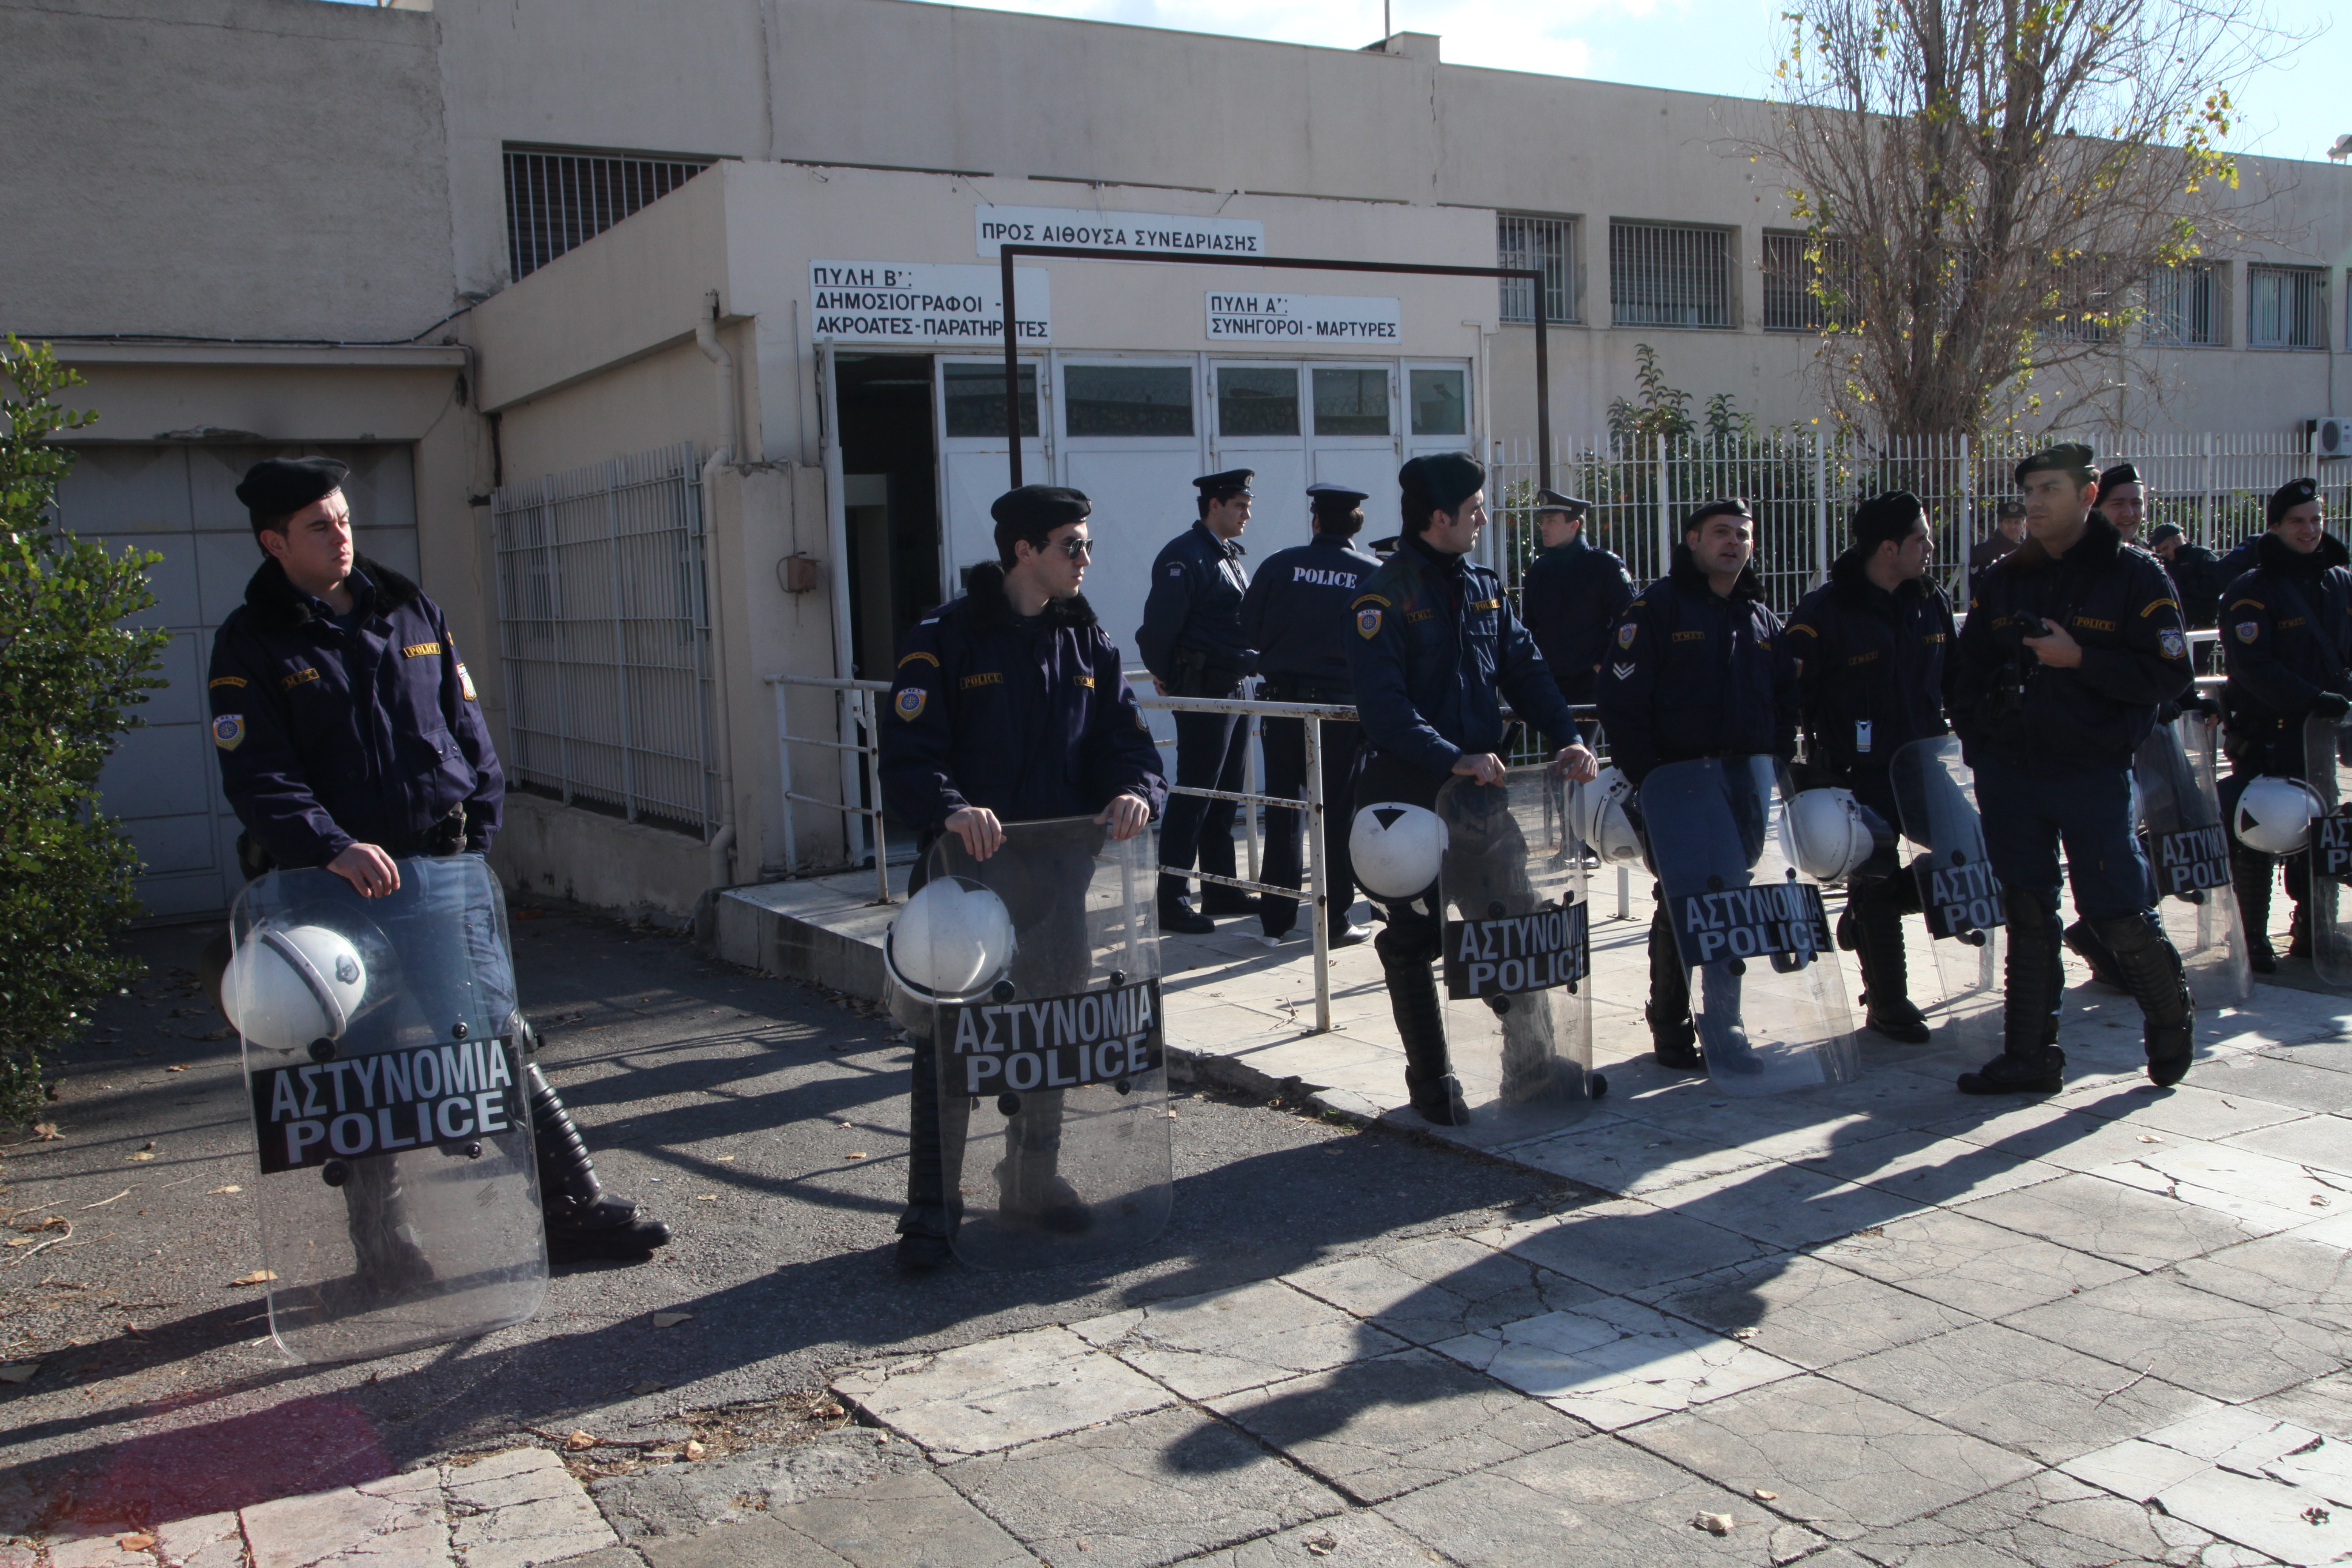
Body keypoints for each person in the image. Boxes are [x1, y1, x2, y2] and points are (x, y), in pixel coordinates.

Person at [205, 457, 669, 1264]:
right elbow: (258, 776)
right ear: (274, 541)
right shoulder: (252, 644)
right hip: (334, 895)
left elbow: (467, 729)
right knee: (365, 1071)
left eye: (344, 518)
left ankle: (569, 1209)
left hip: (438, 877)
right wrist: (332, 846)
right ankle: (384, 1244)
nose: (341, 534)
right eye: (320, 525)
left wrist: (477, 828)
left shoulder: (408, 608)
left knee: (495, 1041)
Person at [879, 485, 1166, 1272]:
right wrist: (951, 806)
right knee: (950, 1047)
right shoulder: (946, 638)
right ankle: (932, 1212)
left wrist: (1137, 791)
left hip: (1058, 880)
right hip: (967, 887)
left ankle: (1031, 1184)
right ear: (1023, 552)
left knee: (1052, 1040)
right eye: (1071, 545)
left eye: (1087, 545)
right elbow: (908, 759)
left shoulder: (1089, 641)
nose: (1086, 560)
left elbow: (1127, 745)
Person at [1347, 454, 1597, 1124]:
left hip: (1482, 798)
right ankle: (1432, 1080)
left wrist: (1567, 734)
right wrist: (1450, 755)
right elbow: (1383, 706)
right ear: (1439, 517)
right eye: (1476, 508)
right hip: (1410, 799)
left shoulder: (1484, 585)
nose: (1485, 518)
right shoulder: (1385, 594)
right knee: (1415, 939)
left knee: (1513, 923)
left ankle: (1532, 1065)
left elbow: (1527, 668)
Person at [1948, 443, 2196, 1094]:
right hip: (2012, 771)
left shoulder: (2135, 576)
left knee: (2116, 910)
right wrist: (1982, 742)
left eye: (2050, 489)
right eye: (2029, 489)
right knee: (2028, 909)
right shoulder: (2005, 577)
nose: (2035, 502)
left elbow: (2170, 675)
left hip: (2090, 770)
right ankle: (2030, 1055)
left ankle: (2170, 1020)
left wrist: (2079, 659)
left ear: (2087, 496)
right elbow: (1966, 672)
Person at [1597, 499, 1800, 1071]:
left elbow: (1786, 698)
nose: (1733, 542)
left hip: (1744, 783)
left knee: (1726, 899)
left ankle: (1707, 1023)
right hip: (1679, 782)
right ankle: (1686, 1024)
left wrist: (1777, 756)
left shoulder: (1759, 616)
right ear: (1693, 540)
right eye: (1720, 533)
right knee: (1689, 896)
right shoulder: (1657, 609)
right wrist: (1650, 775)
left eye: (1743, 534)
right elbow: (1623, 698)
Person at [1784, 492, 1958, 1045]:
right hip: (1857, 773)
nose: (1930, 548)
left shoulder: (1929, 601)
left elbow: (1957, 677)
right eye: (1920, 539)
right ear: (1888, 548)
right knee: (1876, 869)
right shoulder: (1826, 611)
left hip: (1924, 762)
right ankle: (1888, 1001)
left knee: (1974, 854)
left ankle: (1866, 913)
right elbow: (1789, 691)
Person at [1237, 483, 1379, 948]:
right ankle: (1334, 919)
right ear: (1356, 525)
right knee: (1336, 814)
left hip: (1282, 705)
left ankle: (1275, 922)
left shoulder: (1279, 564)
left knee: (1283, 811)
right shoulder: (1373, 575)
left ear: (1315, 521)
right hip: (1341, 711)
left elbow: (1250, 627)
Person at [2217, 478, 2347, 971]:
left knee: (2323, 831)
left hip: (2322, 736)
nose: (2310, 530)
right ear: (2274, 527)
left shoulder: (2339, 581)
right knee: (2261, 831)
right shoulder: (2251, 590)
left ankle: (2316, 932)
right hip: (2268, 733)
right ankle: (2251, 939)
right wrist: (2315, 699)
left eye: (2316, 520)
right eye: (2298, 521)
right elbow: (2253, 667)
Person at [1137, 470, 1258, 934]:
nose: (1248, 514)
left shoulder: (1224, 555)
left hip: (1233, 684)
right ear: (1214, 505)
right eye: (1240, 506)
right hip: (1206, 688)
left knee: (1226, 790)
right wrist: (1167, 673)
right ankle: (1172, 896)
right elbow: (1159, 627)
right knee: (1196, 791)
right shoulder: (1185, 556)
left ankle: (1221, 884)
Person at [1518, 491, 1634, 708]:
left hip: (1590, 681)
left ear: (1574, 526)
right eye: (1543, 520)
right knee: (1562, 742)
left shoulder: (1604, 566)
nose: (1543, 526)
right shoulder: (1540, 570)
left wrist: (1604, 661)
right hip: (1550, 680)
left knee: (1578, 741)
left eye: (1551, 521)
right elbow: (1529, 625)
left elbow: (1629, 619)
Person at [1967, 500, 2027, 598]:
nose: (2013, 527)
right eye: (2008, 522)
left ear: (2024, 526)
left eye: (2017, 523)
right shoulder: (1984, 550)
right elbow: (1976, 586)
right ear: (2000, 525)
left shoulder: (2030, 551)